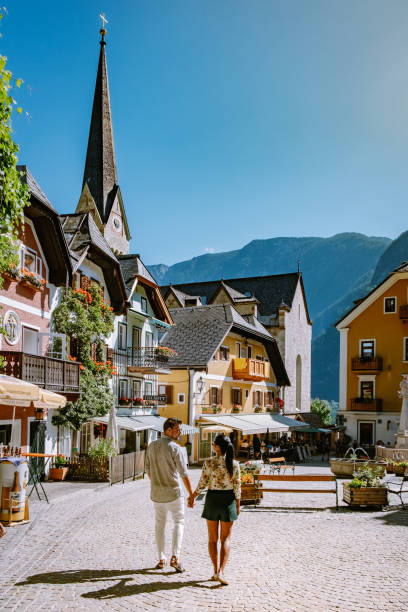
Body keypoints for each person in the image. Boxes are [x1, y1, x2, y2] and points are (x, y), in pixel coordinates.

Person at [188, 434, 241, 585]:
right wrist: (237, 504)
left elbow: (202, 483)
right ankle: (221, 572)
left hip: (212, 500)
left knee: (212, 539)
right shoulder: (235, 464)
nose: (212, 445)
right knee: (226, 539)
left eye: (213, 444)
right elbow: (237, 486)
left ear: (217, 447)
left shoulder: (209, 463)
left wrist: (192, 496)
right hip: (228, 501)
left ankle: (215, 570)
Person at [145, 417, 194, 572]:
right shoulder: (175, 448)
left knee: (159, 526)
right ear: (168, 430)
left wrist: (158, 482)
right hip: (174, 493)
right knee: (178, 522)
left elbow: (148, 470)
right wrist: (191, 494)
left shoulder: (151, 446)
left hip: (157, 494)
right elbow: (184, 474)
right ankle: (175, 557)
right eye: (178, 429)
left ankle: (161, 559)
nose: (180, 432)